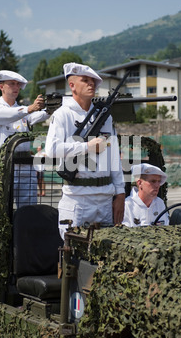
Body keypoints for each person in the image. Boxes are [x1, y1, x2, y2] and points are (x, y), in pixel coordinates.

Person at [45, 62, 125, 238]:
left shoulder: (104, 116)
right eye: (85, 80)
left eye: (93, 81)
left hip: (104, 198)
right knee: (72, 256)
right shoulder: (63, 114)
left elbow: (114, 157)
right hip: (77, 199)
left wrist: (120, 192)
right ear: (72, 85)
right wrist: (86, 147)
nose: (91, 84)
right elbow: (52, 149)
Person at [0, 70, 49, 207]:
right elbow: (8, 114)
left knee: (28, 211)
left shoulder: (22, 111)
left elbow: (36, 116)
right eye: (12, 84)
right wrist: (30, 108)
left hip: (24, 166)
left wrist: (50, 109)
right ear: (1, 87)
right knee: (1, 210)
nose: (16, 87)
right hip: (3, 166)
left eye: (18, 85)